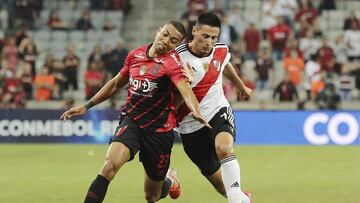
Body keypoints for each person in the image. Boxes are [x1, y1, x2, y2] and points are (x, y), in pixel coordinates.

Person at [60, 21, 210, 203]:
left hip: (159, 131)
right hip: (132, 122)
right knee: (109, 167)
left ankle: (170, 181)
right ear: (158, 31)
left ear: (176, 45)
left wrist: (195, 110)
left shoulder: (172, 63)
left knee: (152, 196)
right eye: (164, 34)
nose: (166, 41)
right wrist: (86, 106)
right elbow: (116, 84)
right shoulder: (135, 54)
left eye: (173, 41)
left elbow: (185, 89)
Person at [175, 13, 252, 203]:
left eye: (213, 38)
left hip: (218, 111)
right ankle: (243, 199)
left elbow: (225, 66)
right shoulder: (176, 58)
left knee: (224, 148)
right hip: (189, 126)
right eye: (205, 36)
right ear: (194, 31)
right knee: (222, 186)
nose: (209, 42)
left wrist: (241, 86)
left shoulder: (221, 51)